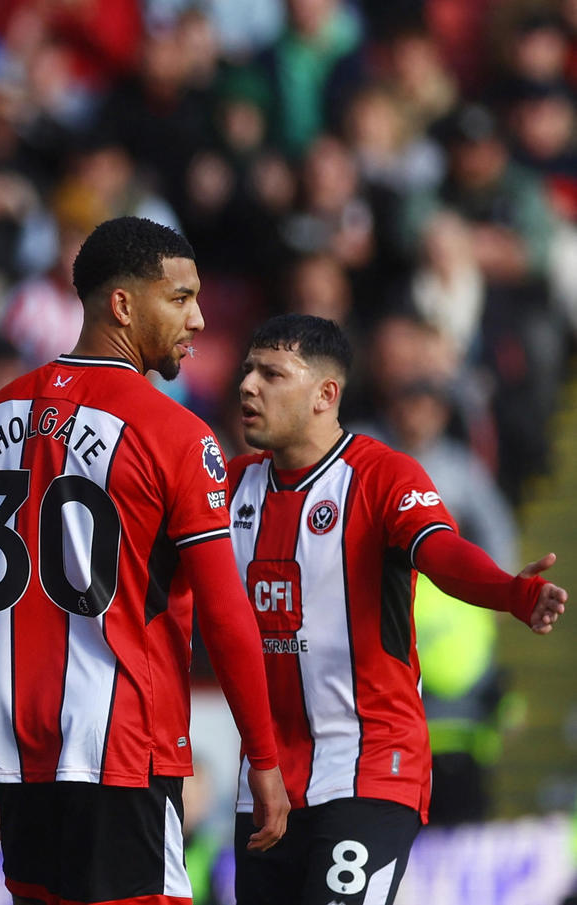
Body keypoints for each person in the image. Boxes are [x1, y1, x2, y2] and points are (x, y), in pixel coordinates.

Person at [0, 216, 289, 905]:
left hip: (20, 753)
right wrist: (264, 759)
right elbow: (224, 614)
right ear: (122, 304)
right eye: (180, 298)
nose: (199, 318)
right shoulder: (176, 434)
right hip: (123, 747)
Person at [228, 313, 567, 905]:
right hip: (264, 779)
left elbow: (441, 552)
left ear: (324, 395)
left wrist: (511, 592)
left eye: (272, 374)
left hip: (369, 768)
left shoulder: (382, 475)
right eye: (248, 370)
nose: (248, 386)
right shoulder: (230, 487)